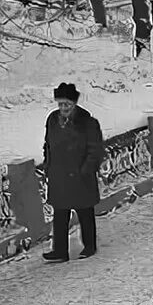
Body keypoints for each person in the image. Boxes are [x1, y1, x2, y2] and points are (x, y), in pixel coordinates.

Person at [42, 82, 104, 262]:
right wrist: (48, 165)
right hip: (59, 175)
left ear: (74, 104)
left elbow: (96, 150)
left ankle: (89, 246)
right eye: (60, 104)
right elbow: (48, 145)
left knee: (85, 212)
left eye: (67, 104)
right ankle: (60, 251)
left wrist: (86, 170)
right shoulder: (52, 120)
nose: (63, 108)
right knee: (60, 214)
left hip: (80, 175)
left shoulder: (88, 122)